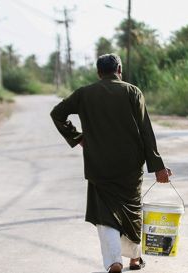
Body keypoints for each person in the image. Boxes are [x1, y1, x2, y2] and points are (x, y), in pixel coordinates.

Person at [50, 53, 171, 273]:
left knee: (105, 214)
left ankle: (114, 260)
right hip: (130, 165)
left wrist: (77, 137)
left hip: (98, 165)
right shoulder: (132, 92)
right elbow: (146, 131)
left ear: (98, 73)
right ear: (119, 69)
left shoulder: (84, 94)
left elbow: (57, 113)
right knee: (132, 211)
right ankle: (135, 260)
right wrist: (158, 167)